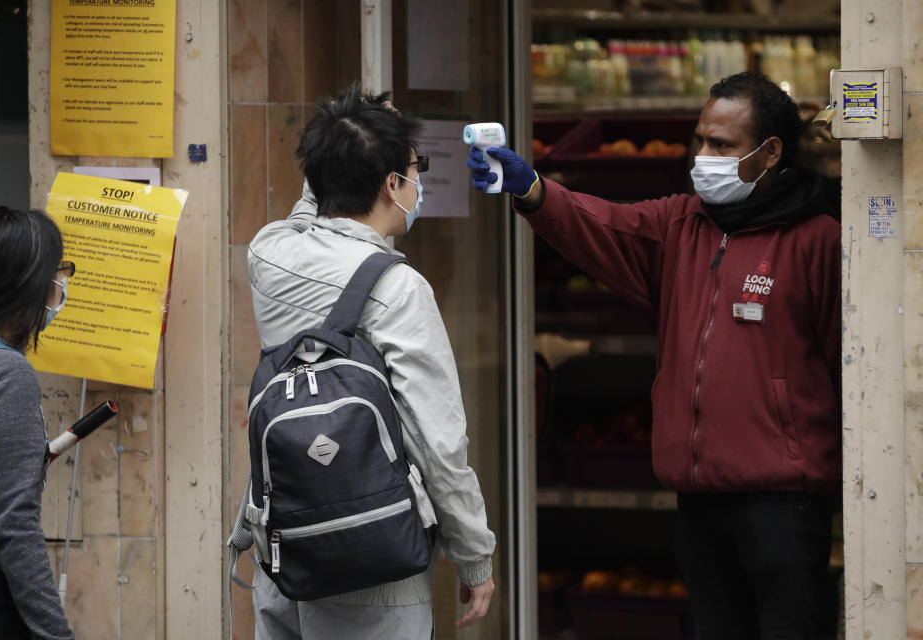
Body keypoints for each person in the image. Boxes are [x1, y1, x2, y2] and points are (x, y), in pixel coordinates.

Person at [468, 71, 840, 640]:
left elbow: (850, 361)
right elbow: (603, 226)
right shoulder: (681, 223)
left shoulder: (818, 238)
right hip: (698, 498)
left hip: (783, 503)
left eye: (722, 145)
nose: (703, 156)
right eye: (700, 140)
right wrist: (533, 190)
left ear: (770, 153)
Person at [243, 86, 496, 639]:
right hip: (374, 559)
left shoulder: (268, 253)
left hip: (285, 548)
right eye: (413, 169)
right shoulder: (399, 289)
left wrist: (351, 142)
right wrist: (474, 554)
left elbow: (312, 202)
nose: (417, 181)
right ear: (390, 184)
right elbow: (438, 440)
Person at [0, 206, 75, 639]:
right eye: (57, 272)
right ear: (29, 286)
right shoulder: (3, 372)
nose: (62, 285)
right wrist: (55, 633)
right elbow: (12, 524)